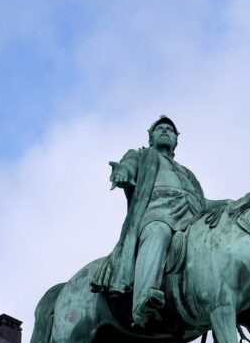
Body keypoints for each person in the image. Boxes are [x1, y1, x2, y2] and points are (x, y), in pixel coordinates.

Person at [92, 116, 226, 327]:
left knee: (217, 247)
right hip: (157, 215)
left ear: (176, 140)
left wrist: (228, 204)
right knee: (159, 232)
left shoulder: (188, 174)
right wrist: (122, 172)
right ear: (150, 137)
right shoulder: (141, 155)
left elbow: (202, 203)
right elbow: (127, 166)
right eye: (160, 129)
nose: (165, 131)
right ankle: (142, 301)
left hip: (190, 222)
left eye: (170, 130)